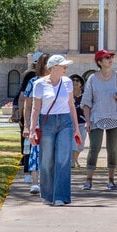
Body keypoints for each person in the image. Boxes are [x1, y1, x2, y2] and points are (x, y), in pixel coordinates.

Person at [29, 55, 80, 206]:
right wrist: (32, 129)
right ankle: (48, 195)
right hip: (47, 121)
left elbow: (71, 106)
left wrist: (76, 128)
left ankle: (61, 196)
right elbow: (35, 108)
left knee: (63, 159)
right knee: (47, 160)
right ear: (53, 67)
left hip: (65, 122)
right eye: (63, 66)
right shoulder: (39, 84)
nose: (66, 68)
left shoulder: (68, 82)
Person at [82, 50, 117, 191]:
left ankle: (111, 180)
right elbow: (86, 102)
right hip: (96, 117)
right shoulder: (92, 78)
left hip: (115, 117)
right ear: (99, 62)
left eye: (111, 57)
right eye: (107, 57)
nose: (110, 59)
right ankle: (88, 180)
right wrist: (87, 121)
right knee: (94, 148)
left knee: (112, 149)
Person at [22, 52, 52, 195]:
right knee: (35, 151)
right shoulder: (33, 82)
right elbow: (27, 106)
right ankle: (35, 182)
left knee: (50, 152)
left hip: (52, 121)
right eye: (47, 64)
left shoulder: (58, 82)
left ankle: (48, 182)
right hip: (37, 121)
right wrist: (27, 126)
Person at [70, 74, 87, 168]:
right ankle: (72, 162)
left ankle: (75, 159)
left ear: (81, 84)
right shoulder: (67, 94)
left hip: (82, 122)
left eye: (77, 80)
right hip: (70, 123)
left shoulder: (85, 94)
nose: (75, 82)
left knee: (80, 144)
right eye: (73, 80)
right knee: (73, 143)